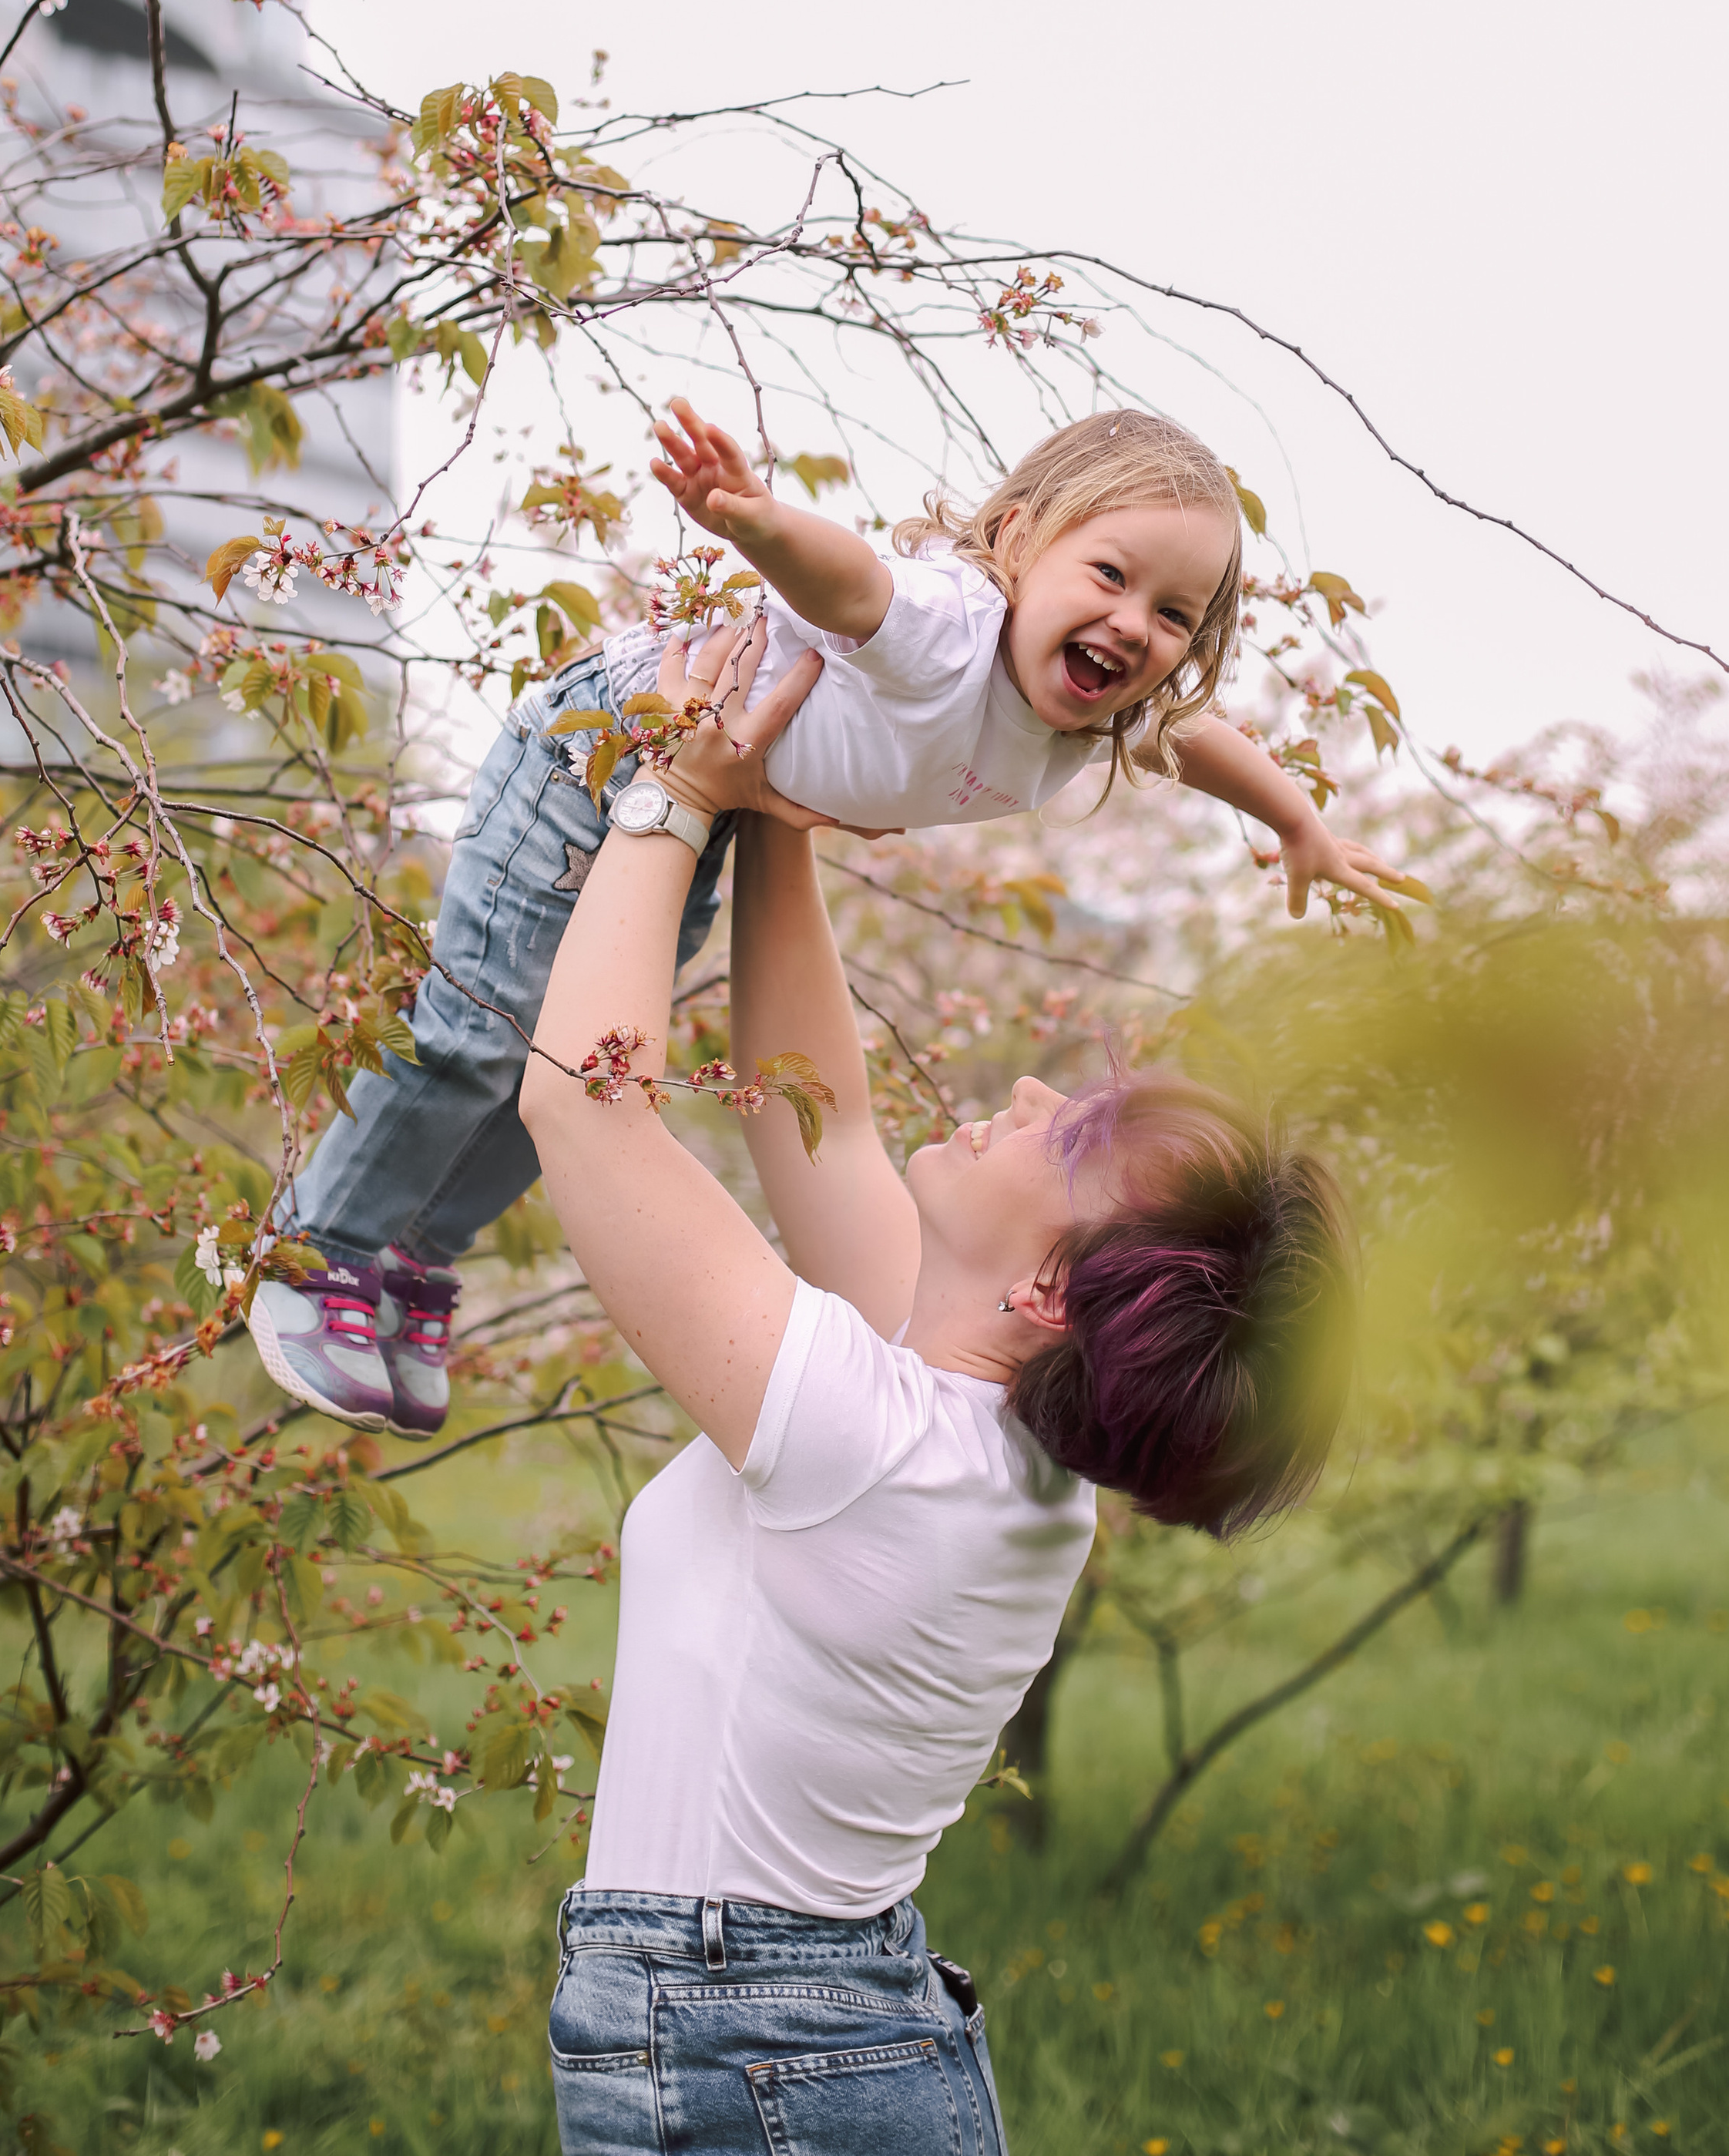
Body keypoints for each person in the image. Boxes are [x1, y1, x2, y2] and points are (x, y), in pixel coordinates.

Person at [519, 623, 1358, 2155]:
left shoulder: (880, 1448)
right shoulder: (982, 1449)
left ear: (1050, 1293)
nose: (1028, 1093)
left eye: (1070, 1135)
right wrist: (780, 808)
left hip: (746, 2042)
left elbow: (586, 1109)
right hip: (803, 2037)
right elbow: (820, 1120)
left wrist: (679, 792)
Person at [247, 405, 1404, 1438]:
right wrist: (754, 522)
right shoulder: (953, 623)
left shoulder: (1094, 718)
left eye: (1174, 615)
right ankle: (320, 1249)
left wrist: (1298, 823)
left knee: (561, 1062)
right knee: (483, 1034)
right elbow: (850, 585)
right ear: (1017, 542)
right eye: (1109, 574)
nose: (1134, 623)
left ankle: (414, 1250)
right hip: (604, 760)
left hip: (711, 812)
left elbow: (1196, 740)